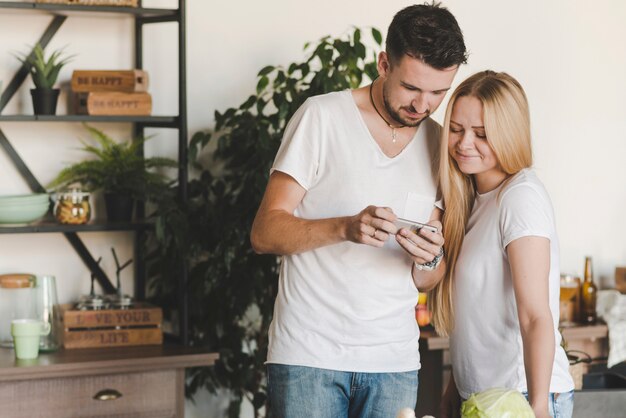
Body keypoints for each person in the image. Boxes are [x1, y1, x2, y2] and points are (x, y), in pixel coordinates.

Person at [250, 3, 467, 417]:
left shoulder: (441, 145)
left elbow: (429, 276)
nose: (423, 105)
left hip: (394, 363)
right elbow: (264, 233)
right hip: (307, 357)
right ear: (384, 63)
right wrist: (345, 228)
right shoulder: (322, 117)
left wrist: (432, 254)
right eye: (411, 88)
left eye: (438, 93)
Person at [434, 71, 575, 418]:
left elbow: (535, 316)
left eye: (481, 134)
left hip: (520, 399)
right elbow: (478, 312)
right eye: (456, 129)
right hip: (484, 399)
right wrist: (456, 384)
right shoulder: (475, 199)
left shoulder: (519, 197)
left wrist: (538, 407)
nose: (464, 143)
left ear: (508, 134)